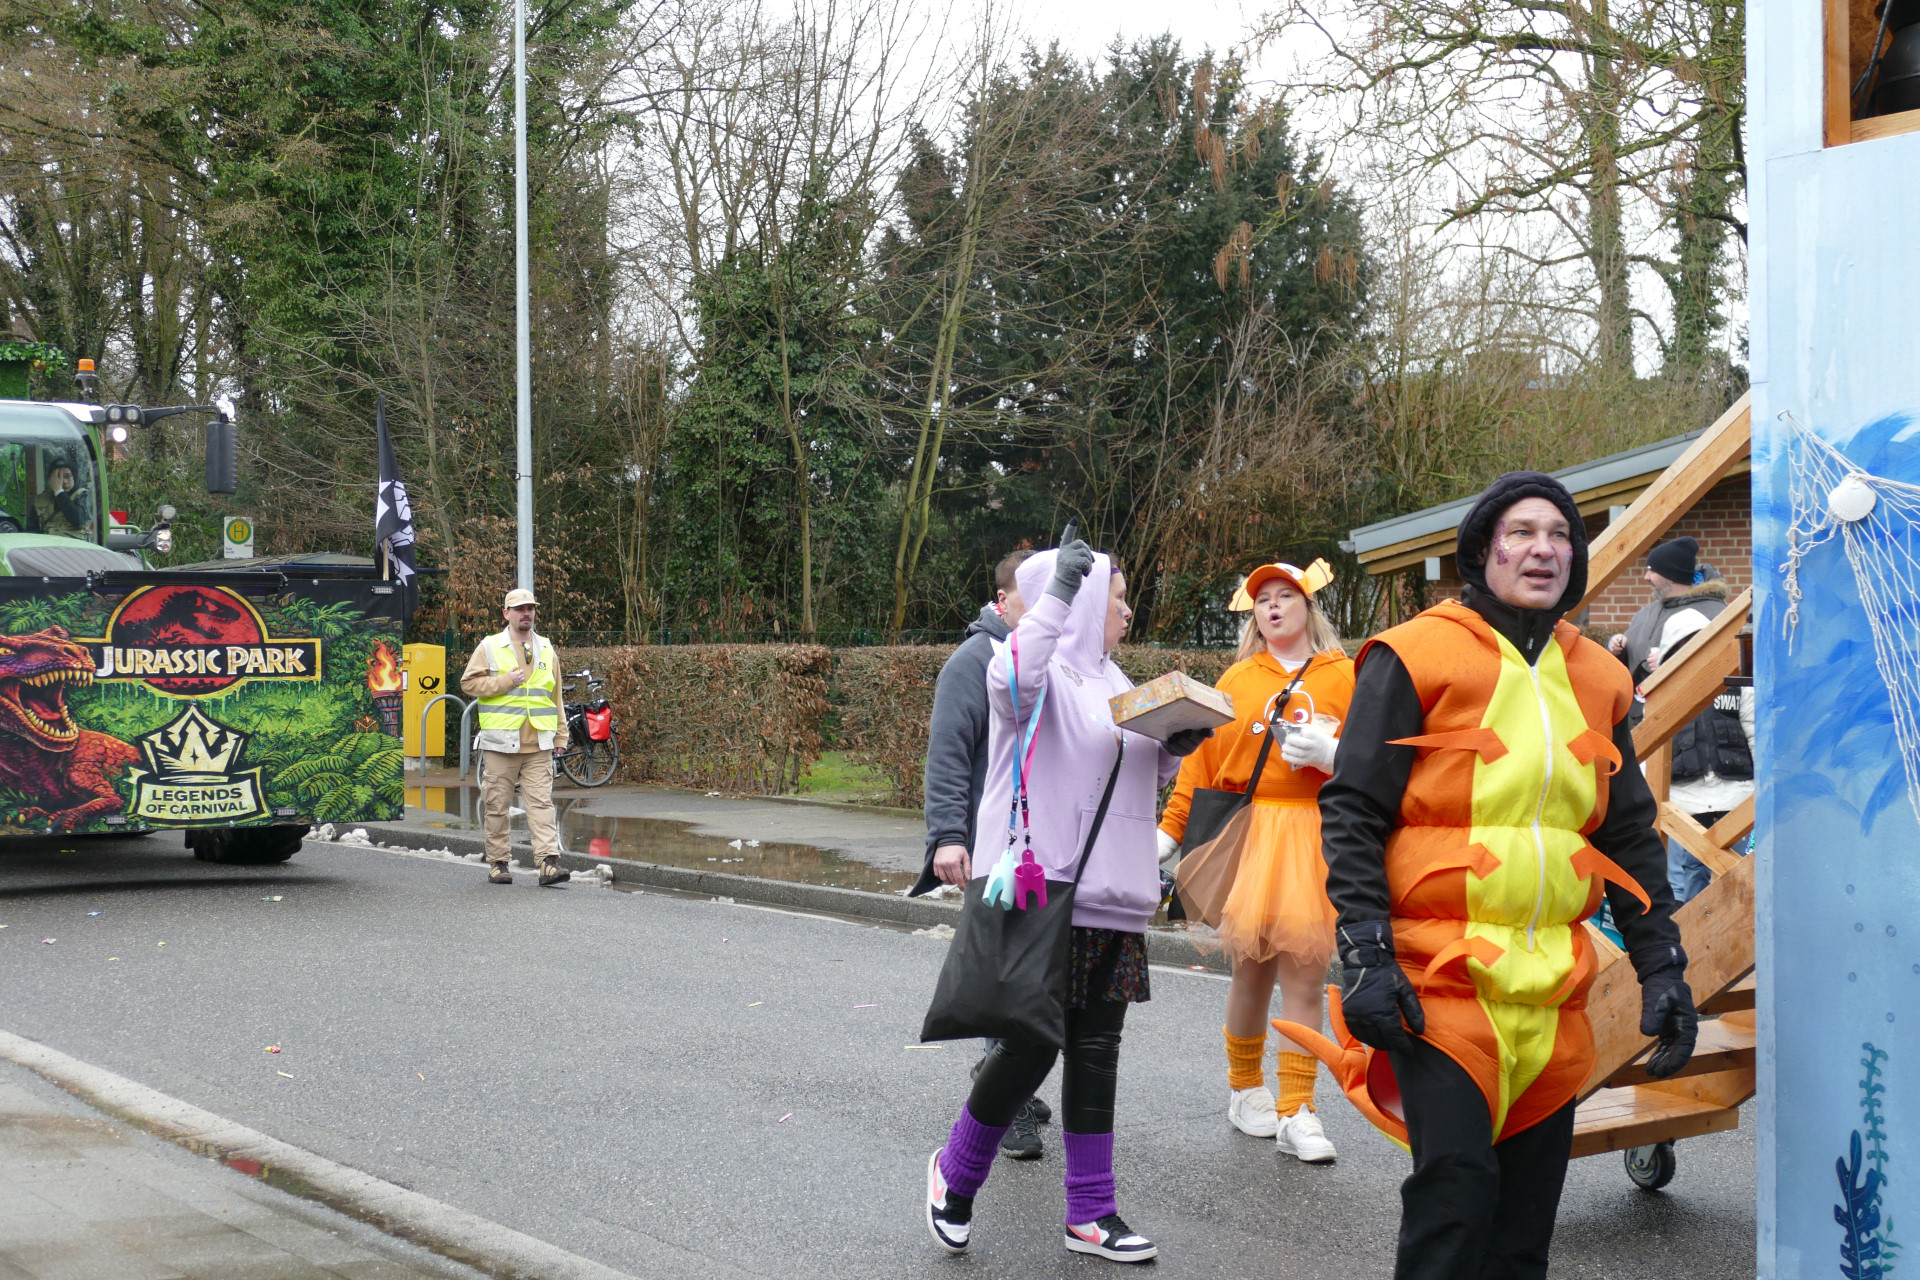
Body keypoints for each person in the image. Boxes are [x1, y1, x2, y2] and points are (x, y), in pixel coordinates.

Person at [1297, 472, 1696, 1280]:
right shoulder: (1414, 654)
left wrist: (1663, 966)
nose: (1544, 549)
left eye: (1560, 535)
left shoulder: (1601, 678)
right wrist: (1367, 955)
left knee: (1521, 1235)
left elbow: (1628, 833)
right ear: (1483, 550)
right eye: (1522, 532)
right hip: (1438, 984)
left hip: (1552, 995)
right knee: (1456, 1202)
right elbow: (1354, 810)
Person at [925, 538, 1210, 1264]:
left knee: (1097, 1051)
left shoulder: (1117, 680)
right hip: (1047, 891)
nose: (1127, 610)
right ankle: (956, 1174)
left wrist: (1175, 742)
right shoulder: (1034, 668)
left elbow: (1136, 775)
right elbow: (1011, 679)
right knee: (1030, 1045)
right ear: (1079, 602)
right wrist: (1059, 589)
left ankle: (1090, 1212)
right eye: (1116, 596)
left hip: (1115, 895)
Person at [1156, 560, 1354, 1162]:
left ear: (1308, 606)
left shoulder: (1346, 675)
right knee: (1251, 973)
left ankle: (1298, 1110)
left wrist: (1335, 755)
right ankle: (1246, 1091)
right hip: (1252, 836)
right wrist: (1169, 832)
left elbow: (1377, 758)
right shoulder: (1238, 679)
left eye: (1285, 595)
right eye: (1262, 598)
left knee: (1306, 977)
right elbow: (1201, 765)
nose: (1273, 606)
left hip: (1318, 834)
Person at [910, 547, 1054, 1160]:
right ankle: (1002, 1096)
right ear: (1002, 601)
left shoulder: (1047, 659)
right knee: (1006, 971)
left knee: (1033, 969)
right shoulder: (974, 662)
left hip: (1042, 846)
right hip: (995, 847)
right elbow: (947, 753)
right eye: (1031, 598)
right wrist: (948, 835)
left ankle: (1009, 1076)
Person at [1606, 538, 1754, 901]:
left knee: (1731, 872)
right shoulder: (1645, 616)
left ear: (1670, 574)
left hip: (1730, 780)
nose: (1645, 577)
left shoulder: (1717, 614)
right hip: (1671, 774)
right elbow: (1633, 687)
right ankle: (1683, 925)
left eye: (1652, 570)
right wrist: (1619, 653)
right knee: (1680, 872)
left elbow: (1748, 708)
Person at [460, 588, 571, 886]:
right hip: (500, 744)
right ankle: (498, 863)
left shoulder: (546, 648)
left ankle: (548, 863)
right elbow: (469, 683)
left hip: (538, 745)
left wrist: (561, 736)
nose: (526, 613)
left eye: (530, 608)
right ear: (506, 613)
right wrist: (503, 682)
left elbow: (555, 697)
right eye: (520, 609)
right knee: (496, 806)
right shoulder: (490, 646)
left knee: (541, 805)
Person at [33, 460, 89, 537]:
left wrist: (59, 492)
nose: (64, 481)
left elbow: (78, 520)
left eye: (67, 476)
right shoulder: (41, 500)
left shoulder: (83, 495)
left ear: (74, 477)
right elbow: (31, 531)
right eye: (58, 477)